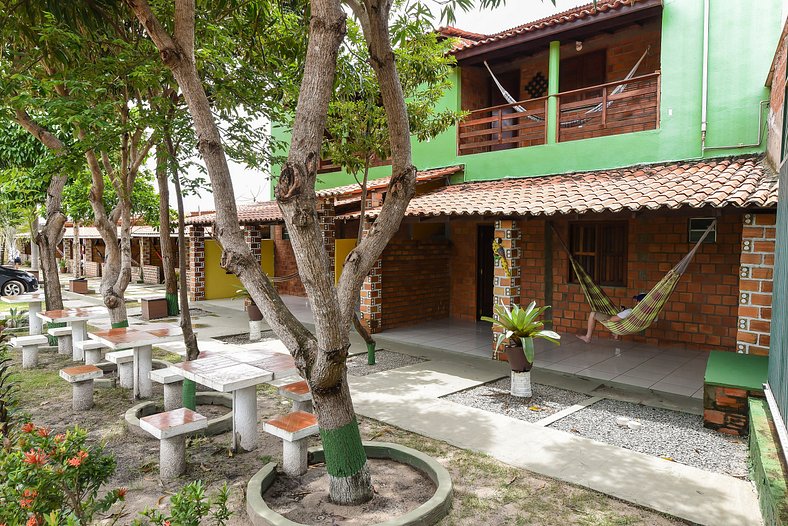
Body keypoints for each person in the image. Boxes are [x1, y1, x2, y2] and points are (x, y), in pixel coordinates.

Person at [576, 293, 647, 343]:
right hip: (632, 326)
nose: (635, 302)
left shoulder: (629, 311)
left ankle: (587, 337)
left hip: (619, 323)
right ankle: (616, 334)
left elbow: (613, 319)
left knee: (593, 314)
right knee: (621, 312)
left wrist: (607, 319)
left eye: (636, 300)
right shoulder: (648, 313)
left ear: (638, 302)